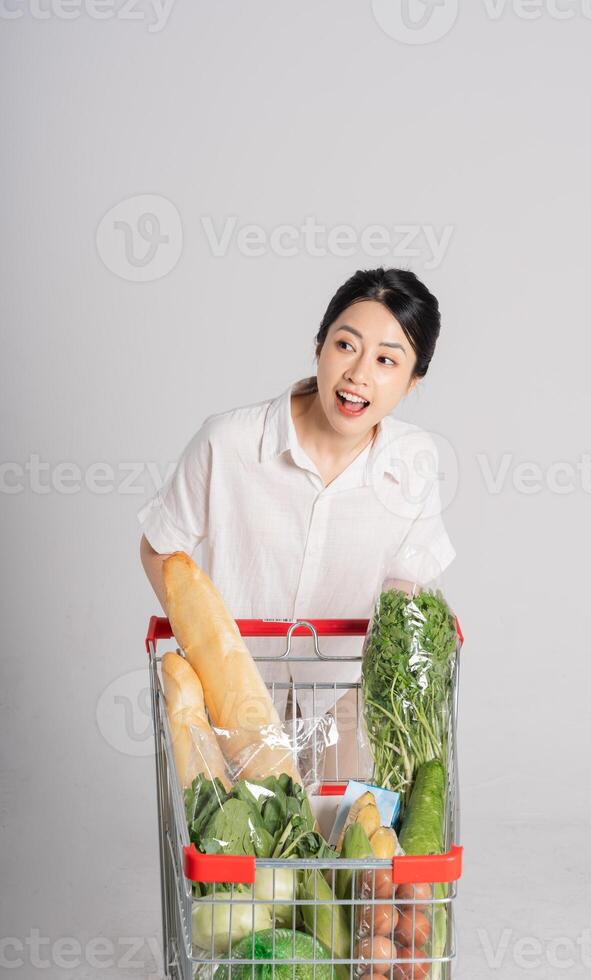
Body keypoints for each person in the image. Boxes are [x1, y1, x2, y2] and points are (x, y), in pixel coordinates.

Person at [138, 266, 456, 778]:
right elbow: (159, 546)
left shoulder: (414, 459)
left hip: (345, 706)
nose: (358, 374)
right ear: (319, 345)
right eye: (345, 346)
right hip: (235, 703)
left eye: (386, 361)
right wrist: (210, 652)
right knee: (246, 851)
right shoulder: (228, 442)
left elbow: (409, 587)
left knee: (343, 851)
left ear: (413, 380)